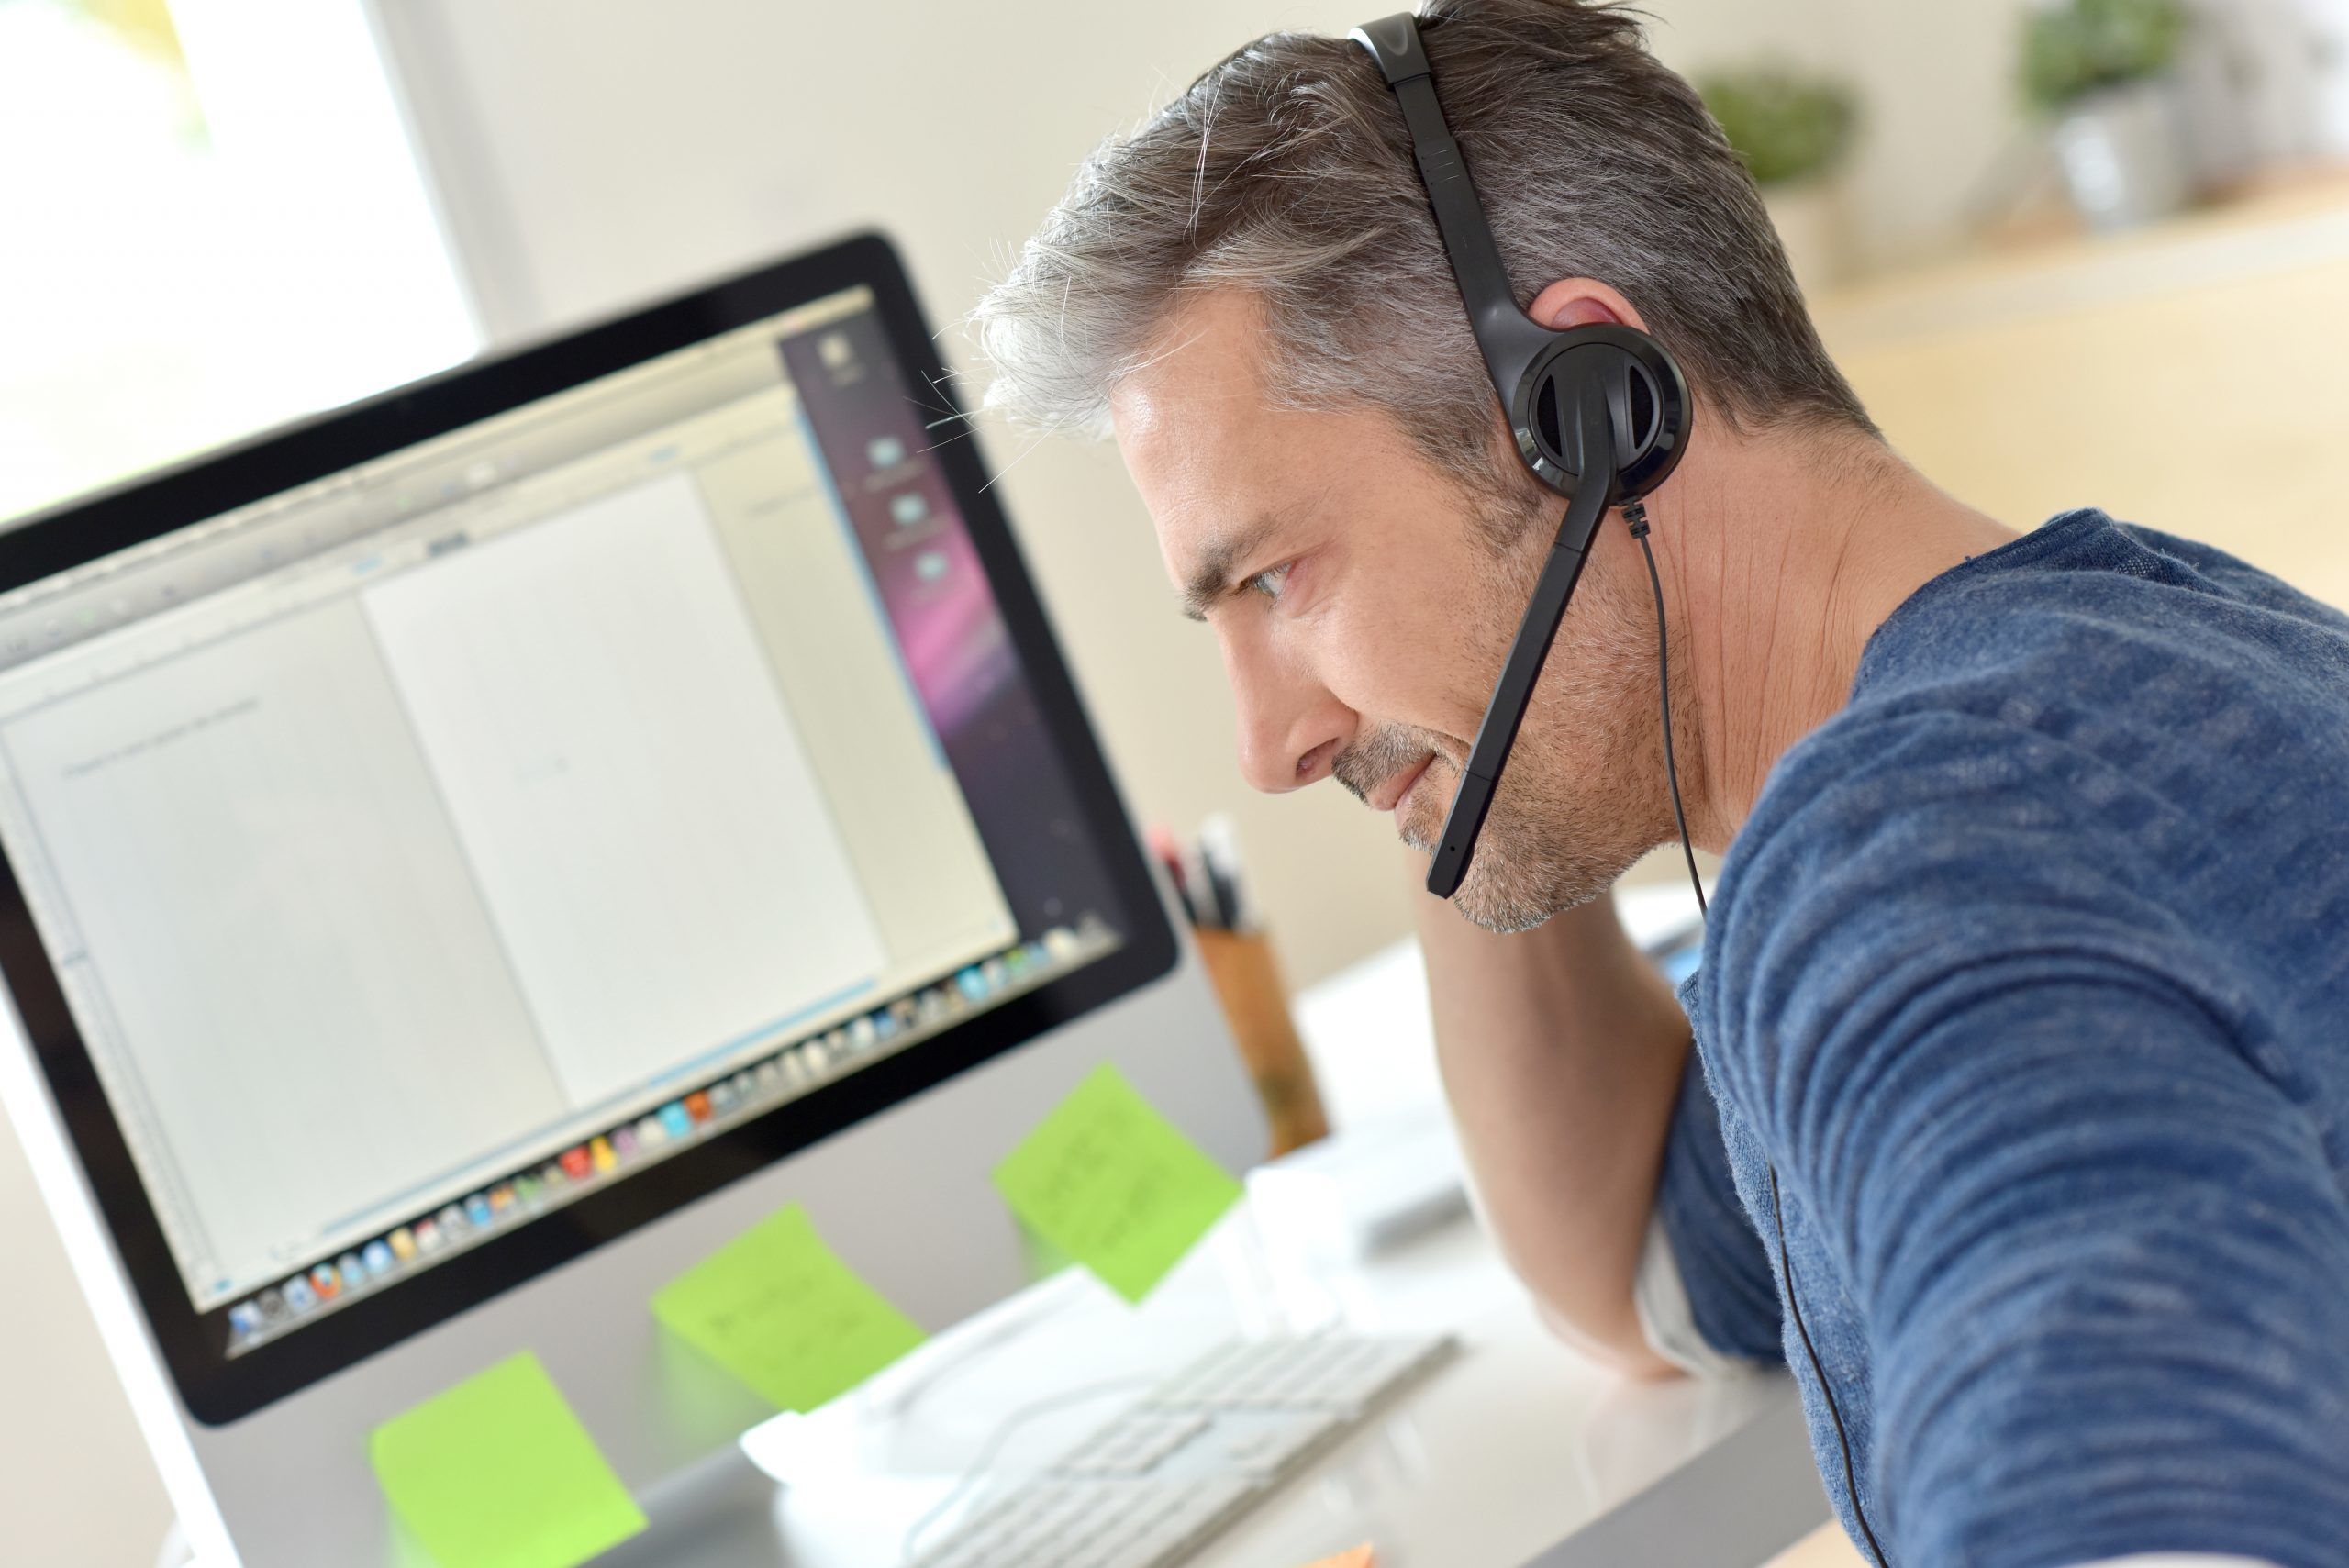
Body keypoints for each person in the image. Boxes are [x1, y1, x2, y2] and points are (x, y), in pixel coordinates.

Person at [970, 1, 2349, 1564]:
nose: (1266, 749)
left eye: (1277, 578)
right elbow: (1641, 1262)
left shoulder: (1918, 857)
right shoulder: (2148, 665)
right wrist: (1436, 754)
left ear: (1587, 415)